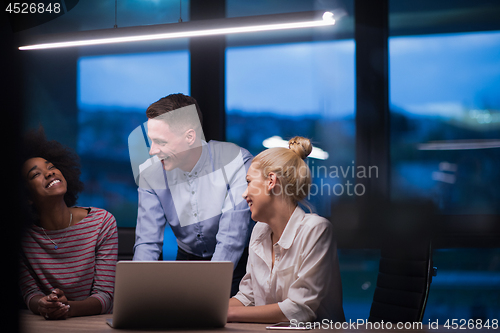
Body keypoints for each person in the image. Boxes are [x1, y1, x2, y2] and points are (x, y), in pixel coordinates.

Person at [132, 93, 254, 296]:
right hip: (186, 261)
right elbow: (147, 241)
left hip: (237, 265)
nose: (152, 151)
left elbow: (231, 240)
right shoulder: (150, 174)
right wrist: (136, 292)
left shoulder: (236, 162)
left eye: (161, 142)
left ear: (190, 137)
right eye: (151, 141)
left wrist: (207, 293)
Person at [227, 136, 345, 323]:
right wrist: (205, 310)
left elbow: (299, 309)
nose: (244, 194)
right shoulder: (260, 231)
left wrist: (226, 314)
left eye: (249, 182)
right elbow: (247, 297)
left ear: (271, 181)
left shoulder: (316, 230)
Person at [19, 128, 118, 320]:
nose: (49, 173)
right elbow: (30, 293)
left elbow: (105, 296)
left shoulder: (102, 223)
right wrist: (43, 305)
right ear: (27, 197)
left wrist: (67, 308)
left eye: (50, 166)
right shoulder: (23, 237)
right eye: (35, 175)